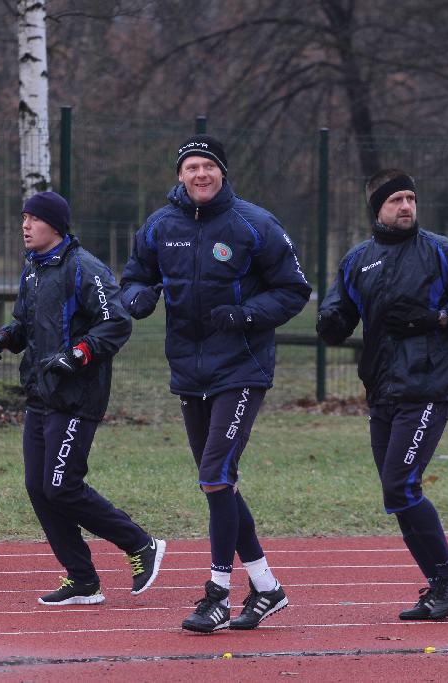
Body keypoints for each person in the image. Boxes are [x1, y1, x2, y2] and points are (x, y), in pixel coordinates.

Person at [120, 135, 311, 633]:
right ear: (179, 175)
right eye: (191, 167)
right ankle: (267, 587)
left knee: (213, 475)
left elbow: (294, 289)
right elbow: (134, 276)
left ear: (222, 173)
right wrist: (138, 297)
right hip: (189, 370)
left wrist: (247, 315)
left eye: (208, 166)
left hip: (241, 368)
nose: (200, 174)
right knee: (219, 482)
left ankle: (218, 594)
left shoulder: (254, 223)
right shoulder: (161, 225)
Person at [317, 168, 448, 620]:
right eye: (396, 199)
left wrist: (437, 318)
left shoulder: (441, 250)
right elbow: (339, 309)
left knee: (401, 483)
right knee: (395, 492)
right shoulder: (359, 259)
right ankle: (441, 582)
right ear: (377, 208)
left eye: (411, 199)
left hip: (428, 386)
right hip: (382, 388)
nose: (406, 207)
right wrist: (332, 323)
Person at [0, 191, 165, 605]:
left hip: (77, 396)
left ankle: (139, 543)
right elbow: (26, 322)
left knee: (61, 485)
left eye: (34, 218)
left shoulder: (86, 269)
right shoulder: (32, 270)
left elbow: (115, 324)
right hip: (41, 394)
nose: (25, 225)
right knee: (38, 486)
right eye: (23, 217)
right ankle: (82, 578)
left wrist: (78, 354)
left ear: (56, 226)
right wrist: (4, 338)